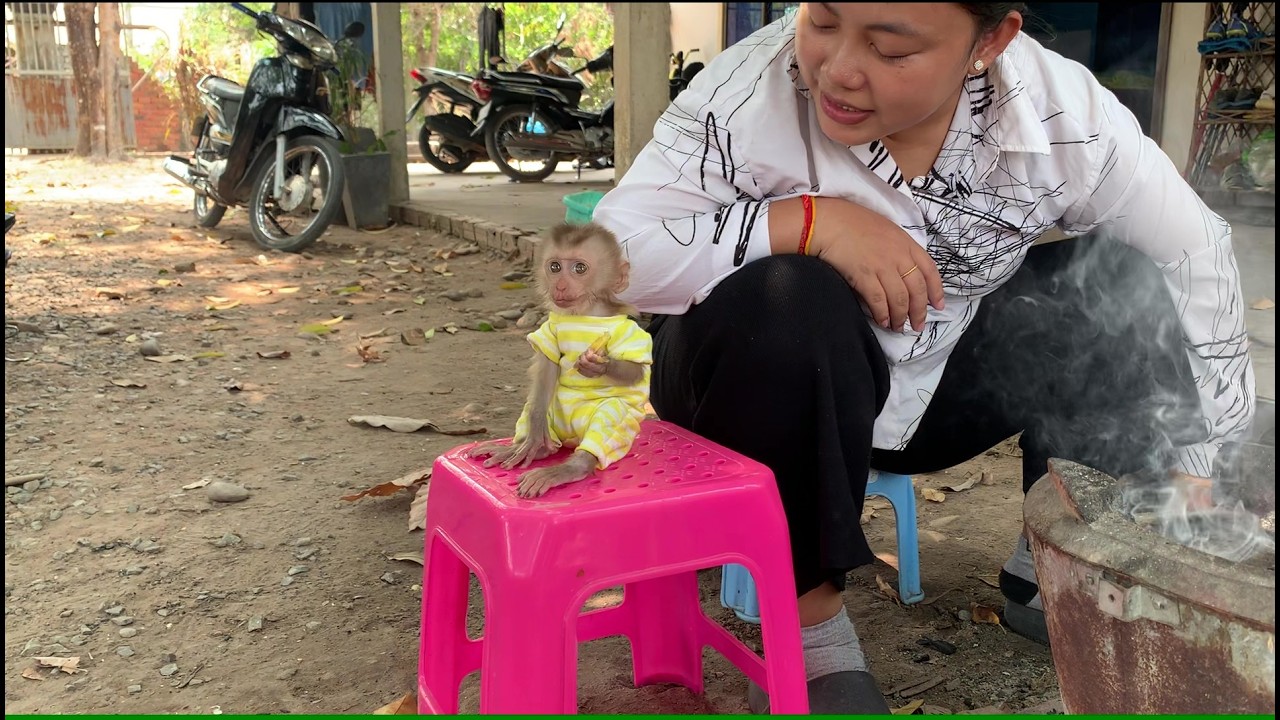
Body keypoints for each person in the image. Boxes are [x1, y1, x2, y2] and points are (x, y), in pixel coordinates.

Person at [592, 3, 1257, 714]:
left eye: (891, 49)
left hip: (927, 380)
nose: (839, 70)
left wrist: (1201, 465)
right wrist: (811, 223)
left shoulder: (1063, 116)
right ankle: (814, 640)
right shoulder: (748, 91)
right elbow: (610, 260)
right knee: (791, 296)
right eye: (821, 20)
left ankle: (1060, 560)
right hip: (746, 390)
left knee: (1118, 281)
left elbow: (1196, 247)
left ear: (991, 41)